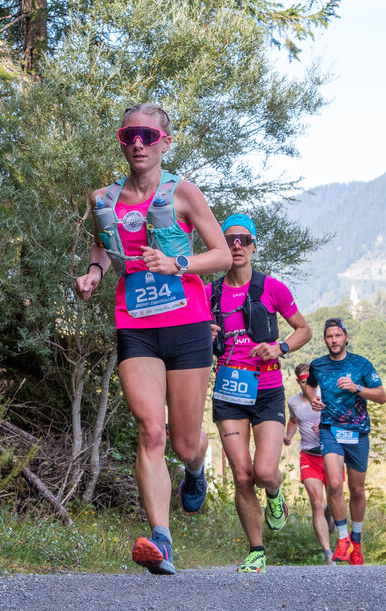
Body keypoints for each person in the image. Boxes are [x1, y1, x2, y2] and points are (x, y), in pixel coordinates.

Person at [75, 103, 232, 575]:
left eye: (147, 135)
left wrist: (178, 264)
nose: (138, 143)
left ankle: (196, 467)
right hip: (136, 324)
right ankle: (160, 539)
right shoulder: (104, 197)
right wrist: (93, 274)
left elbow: (222, 254)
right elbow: (102, 249)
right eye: (130, 135)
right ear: (122, 141)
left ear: (165, 141)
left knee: (185, 443)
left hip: (186, 326)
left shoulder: (182, 193)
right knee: (151, 431)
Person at [207, 214, 312, 573]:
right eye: (229, 239)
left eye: (243, 239)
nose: (236, 244)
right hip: (229, 392)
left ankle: (274, 492)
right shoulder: (210, 293)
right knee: (241, 475)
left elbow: (304, 330)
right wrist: (205, 335)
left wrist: (279, 347)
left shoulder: (272, 288)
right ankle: (256, 551)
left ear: (253, 246)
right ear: (221, 245)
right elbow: (192, 334)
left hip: (266, 390)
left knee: (265, 471)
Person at [302, 317, 386, 565]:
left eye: (338, 335)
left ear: (346, 337)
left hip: (358, 432)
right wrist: (313, 399)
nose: (334, 340)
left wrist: (356, 388)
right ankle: (342, 540)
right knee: (335, 485)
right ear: (325, 339)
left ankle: (356, 542)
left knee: (357, 489)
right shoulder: (318, 365)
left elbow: (381, 396)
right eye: (329, 336)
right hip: (330, 430)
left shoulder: (361, 364)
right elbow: (309, 386)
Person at [284, 363, 336, 566]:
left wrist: (324, 426)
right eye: (304, 382)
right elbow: (294, 420)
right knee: (315, 503)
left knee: (334, 498)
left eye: (311, 382)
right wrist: (288, 435)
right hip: (309, 456)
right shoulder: (293, 402)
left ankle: (330, 514)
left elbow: (342, 420)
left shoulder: (326, 396)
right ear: (298, 382)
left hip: (330, 454)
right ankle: (328, 553)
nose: (308, 386)